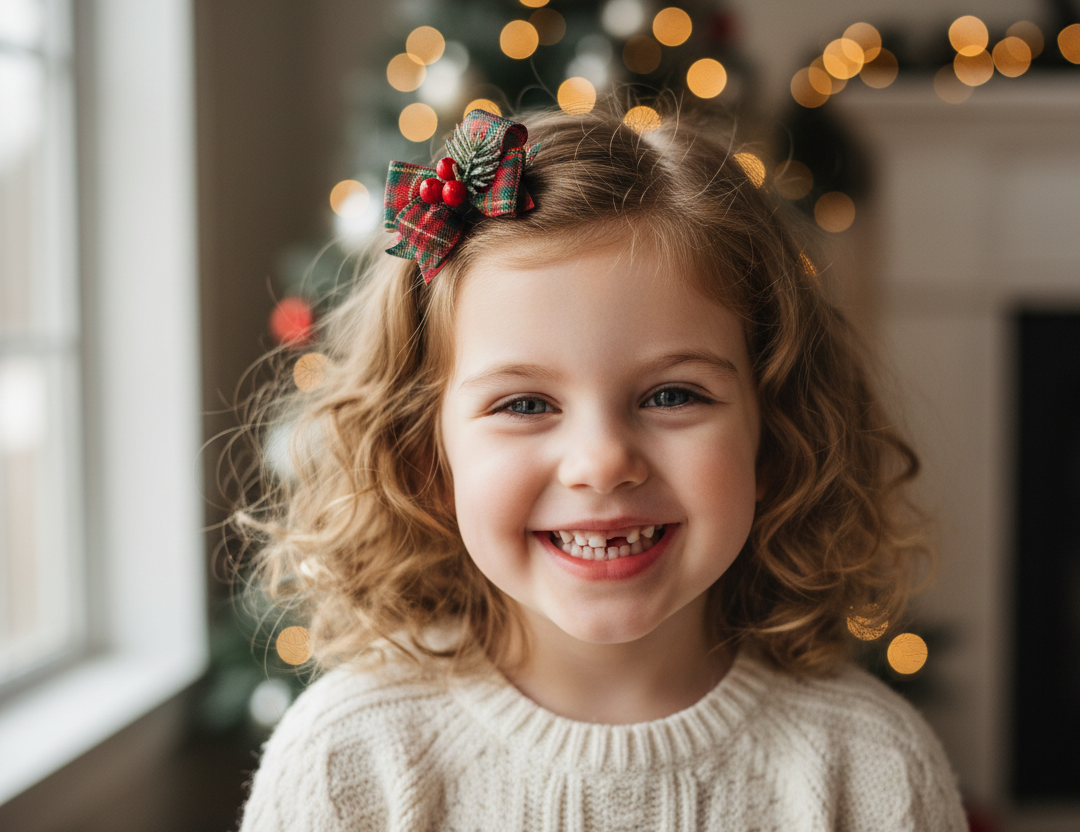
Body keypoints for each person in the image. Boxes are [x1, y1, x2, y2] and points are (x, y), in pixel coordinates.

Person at [234, 104, 969, 831]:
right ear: (427, 457)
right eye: (524, 404)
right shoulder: (347, 762)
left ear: (776, 437)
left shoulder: (870, 769)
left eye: (673, 395)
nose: (601, 463)